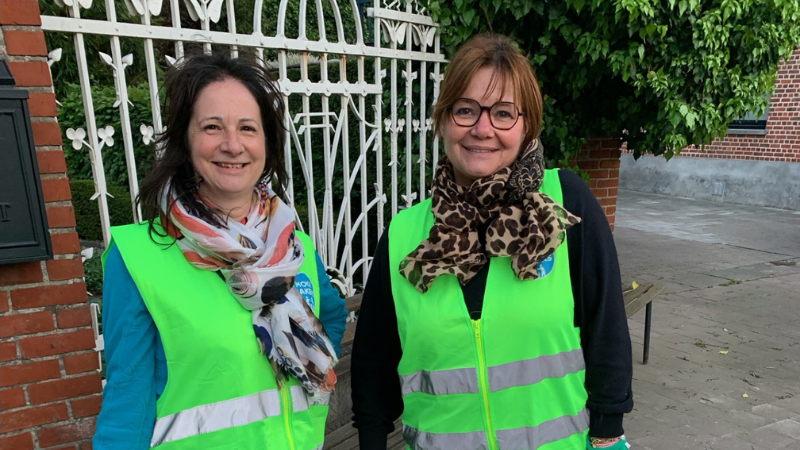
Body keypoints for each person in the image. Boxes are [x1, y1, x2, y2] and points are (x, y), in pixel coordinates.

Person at [351, 33, 633, 450]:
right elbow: (373, 371)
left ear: (526, 125)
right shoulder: (403, 235)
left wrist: (608, 434)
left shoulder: (564, 204)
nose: (482, 129)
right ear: (443, 119)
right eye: (465, 110)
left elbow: (606, 327)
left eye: (503, 113)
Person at [93, 53, 349, 450]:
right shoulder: (138, 257)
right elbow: (127, 405)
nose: (232, 145)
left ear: (266, 142)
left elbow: (331, 314)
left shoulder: (292, 245)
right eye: (212, 127)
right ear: (185, 139)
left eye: (247, 128)